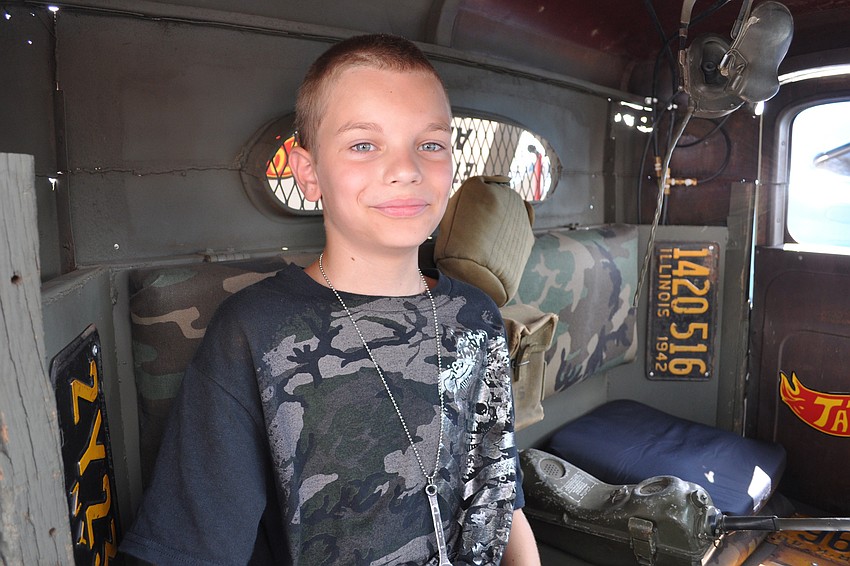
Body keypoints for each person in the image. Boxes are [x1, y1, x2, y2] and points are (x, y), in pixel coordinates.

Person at [121, 33, 540, 565]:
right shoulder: (254, 332)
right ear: (309, 173)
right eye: (364, 145)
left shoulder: (477, 315)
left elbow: (502, 495)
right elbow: (187, 550)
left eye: (430, 144)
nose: (406, 168)